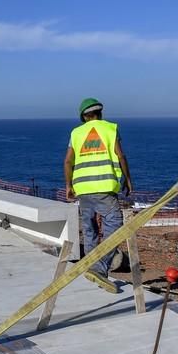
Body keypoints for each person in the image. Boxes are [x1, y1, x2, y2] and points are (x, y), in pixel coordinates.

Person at [64, 98, 133, 294]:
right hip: (104, 187)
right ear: (100, 113)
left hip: (83, 189)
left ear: (83, 117)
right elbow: (120, 156)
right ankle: (100, 269)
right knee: (115, 223)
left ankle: (91, 264)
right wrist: (127, 179)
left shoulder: (76, 133)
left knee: (89, 227)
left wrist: (69, 185)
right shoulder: (110, 129)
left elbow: (68, 161)